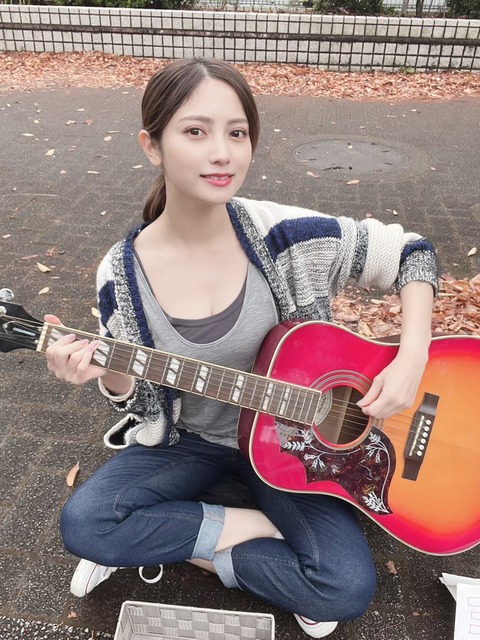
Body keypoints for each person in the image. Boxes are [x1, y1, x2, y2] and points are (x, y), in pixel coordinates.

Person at [44, 57, 437, 639]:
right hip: (194, 445)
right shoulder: (120, 276)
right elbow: (140, 405)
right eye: (195, 131)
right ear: (152, 147)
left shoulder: (283, 236)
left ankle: (178, 535)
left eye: (237, 133)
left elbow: (411, 253)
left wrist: (412, 358)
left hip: (297, 450)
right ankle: (250, 527)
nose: (222, 153)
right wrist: (109, 373)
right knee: (86, 525)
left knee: (345, 588)